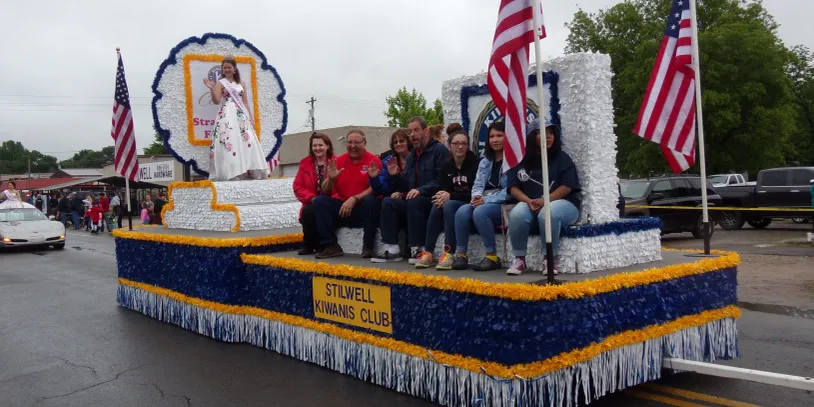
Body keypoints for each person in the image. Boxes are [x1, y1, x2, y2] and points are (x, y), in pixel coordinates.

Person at [506, 118, 581, 275]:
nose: (548, 137)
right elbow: (512, 188)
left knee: (549, 213)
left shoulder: (562, 158)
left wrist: (544, 201)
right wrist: (529, 201)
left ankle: (549, 259)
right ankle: (519, 259)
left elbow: (568, 186)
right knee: (517, 214)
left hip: (563, 204)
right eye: (542, 133)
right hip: (531, 203)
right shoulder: (521, 158)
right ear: (532, 136)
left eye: (551, 133)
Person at [373, 116, 450, 263]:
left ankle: (418, 249)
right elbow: (407, 185)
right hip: (414, 201)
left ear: (426, 131)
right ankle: (393, 249)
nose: (412, 134)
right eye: (410, 131)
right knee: (389, 202)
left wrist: (421, 190)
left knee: (415, 199)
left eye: (416, 130)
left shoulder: (439, 151)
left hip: (433, 201)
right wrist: (395, 176)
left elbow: (442, 180)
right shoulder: (412, 156)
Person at [312, 129, 383, 259]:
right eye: (350, 142)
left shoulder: (373, 160)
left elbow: (374, 188)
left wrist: (355, 198)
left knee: (371, 201)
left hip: (364, 209)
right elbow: (326, 191)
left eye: (357, 142)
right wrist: (331, 179)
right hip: (343, 209)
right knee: (319, 201)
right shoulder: (338, 161)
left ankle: (368, 247)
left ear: (365, 143)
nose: (353, 146)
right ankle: (331, 246)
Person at [415, 129, 478, 270]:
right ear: (450, 146)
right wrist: (442, 196)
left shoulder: (475, 163)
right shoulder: (446, 165)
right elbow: (444, 189)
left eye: (463, 143)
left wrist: (450, 196)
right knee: (437, 204)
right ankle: (428, 251)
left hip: (469, 202)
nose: (460, 146)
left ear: (468, 146)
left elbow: (475, 193)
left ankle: (449, 252)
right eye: (456, 143)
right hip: (453, 201)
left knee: (448, 204)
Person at [453, 121, 511, 271]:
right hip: (484, 199)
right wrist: (476, 197)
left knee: (480, 211)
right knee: (462, 211)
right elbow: (478, 183)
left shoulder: (512, 161)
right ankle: (461, 254)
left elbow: (511, 190)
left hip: (504, 203)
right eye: (492, 136)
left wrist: (486, 200)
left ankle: (492, 256)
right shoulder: (485, 161)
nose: (495, 139)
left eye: (499, 135)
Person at [203, 56, 269, 181]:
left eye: (229, 67)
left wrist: (250, 117)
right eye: (225, 68)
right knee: (230, 140)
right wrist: (212, 88)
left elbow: (245, 102)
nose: (227, 69)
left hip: (240, 114)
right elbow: (216, 101)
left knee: (247, 140)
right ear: (222, 70)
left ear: (234, 69)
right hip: (227, 112)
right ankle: (232, 172)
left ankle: (249, 170)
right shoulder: (220, 83)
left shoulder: (241, 83)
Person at [293, 132, 334, 255]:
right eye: (314, 146)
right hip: (311, 200)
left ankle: (323, 245)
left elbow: (341, 186)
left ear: (327, 146)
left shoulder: (336, 162)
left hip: (331, 201)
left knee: (321, 207)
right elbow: (298, 186)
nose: (317, 148)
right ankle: (309, 245)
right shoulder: (305, 164)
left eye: (320, 145)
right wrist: (311, 198)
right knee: (309, 211)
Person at [369, 129, 410, 197]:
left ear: (408, 142)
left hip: (412, 195)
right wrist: (374, 179)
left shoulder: (416, 158)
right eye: (395, 142)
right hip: (392, 198)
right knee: (371, 199)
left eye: (401, 141)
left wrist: (396, 176)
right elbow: (382, 190)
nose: (398, 144)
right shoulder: (387, 162)